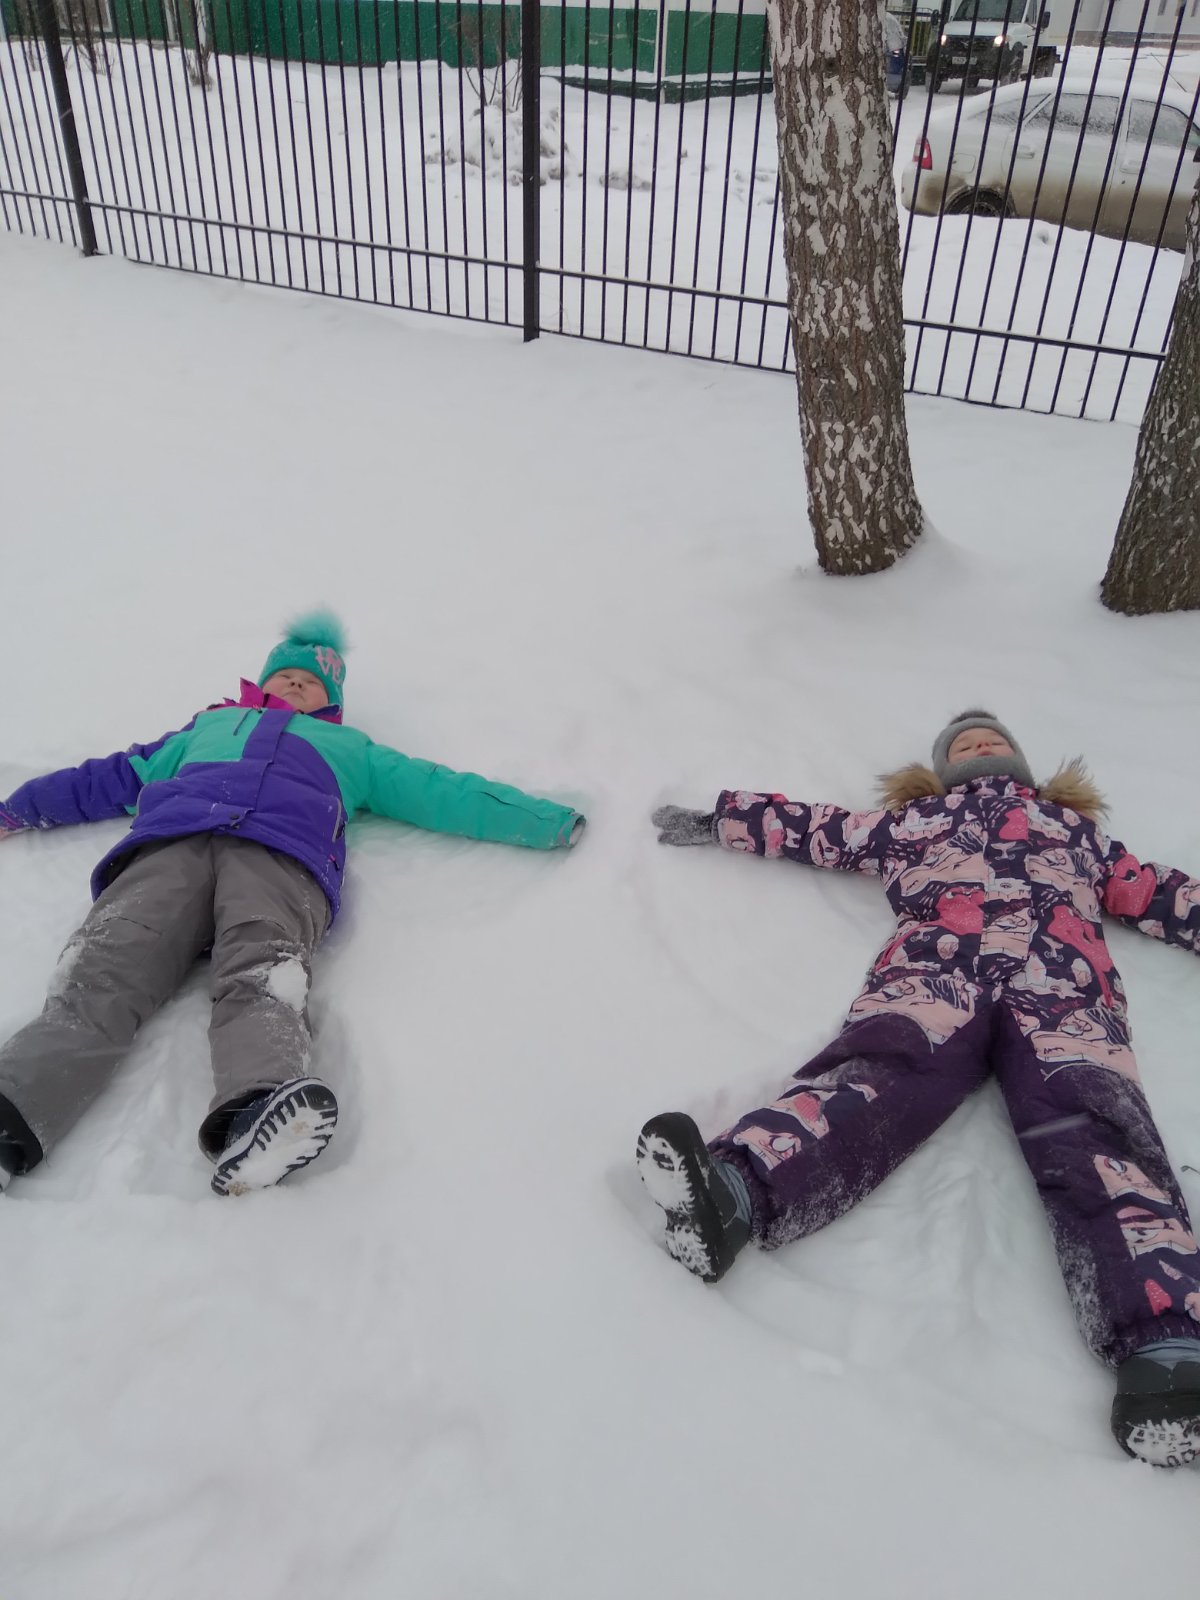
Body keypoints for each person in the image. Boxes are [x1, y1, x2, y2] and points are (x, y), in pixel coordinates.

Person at [639, 711, 1200, 1468]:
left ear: (1021, 759)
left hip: (1063, 990)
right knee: (877, 1078)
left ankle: (1168, 1353)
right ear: (941, 769)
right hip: (936, 973)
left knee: (1096, 1129)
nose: (980, 747)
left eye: (991, 740)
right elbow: (822, 829)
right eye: (963, 744)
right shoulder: (913, 822)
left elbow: (1158, 891)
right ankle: (733, 1194)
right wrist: (724, 820)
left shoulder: (1076, 832)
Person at [0, 611, 583, 1197]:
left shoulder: (351, 750)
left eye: (312, 682)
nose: (298, 684)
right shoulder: (207, 727)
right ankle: (12, 1111)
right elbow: (104, 779)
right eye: (287, 676)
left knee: (264, 972)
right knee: (107, 967)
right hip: (170, 848)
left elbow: (440, 790)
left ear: (332, 703)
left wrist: (546, 821)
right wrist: (16, 809)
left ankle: (257, 1109)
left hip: (279, 858)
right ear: (263, 681)